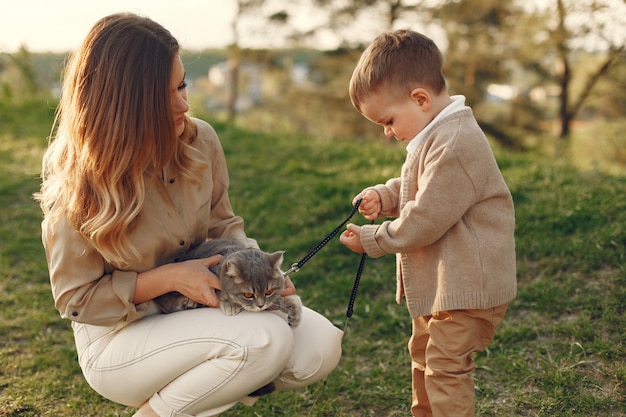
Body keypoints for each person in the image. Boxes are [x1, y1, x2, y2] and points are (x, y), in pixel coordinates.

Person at [35, 13, 342, 417]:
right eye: (167, 94)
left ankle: (200, 389)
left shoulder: (202, 140)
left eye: (183, 85)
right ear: (128, 105)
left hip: (198, 307)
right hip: (119, 335)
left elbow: (223, 225)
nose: (184, 103)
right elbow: (76, 301)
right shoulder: (79, 181)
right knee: (264, 340)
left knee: (319, 347)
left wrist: (258, 273)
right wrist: (167, 278)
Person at [339, 30, 517, 417]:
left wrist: (374, 239)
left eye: (388, 121)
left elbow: (426, 217)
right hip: (443, 287)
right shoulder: (437, 134)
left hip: (468, 287)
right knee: (423, 356)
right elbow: (423, 187)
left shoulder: (455, 141)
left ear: (420, 99)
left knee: (446, 368)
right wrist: (386, 197)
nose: (387, 133)